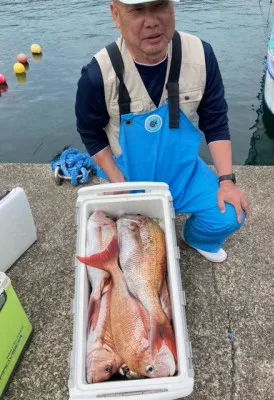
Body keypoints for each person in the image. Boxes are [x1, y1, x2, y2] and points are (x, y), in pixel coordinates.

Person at [75, 0, 250, 263]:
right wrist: (118, 183)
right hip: (128, 178)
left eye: (159, 6)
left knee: (231, 214)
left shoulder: (202, 56)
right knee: (118, 248)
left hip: (183, 173)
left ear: (172, 7)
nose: (152, 21)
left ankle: (196, 238)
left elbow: (215, 121)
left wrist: (226, 181)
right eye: (137, 10)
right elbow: (90, 131)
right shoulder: (98, 74)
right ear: (116, 14)